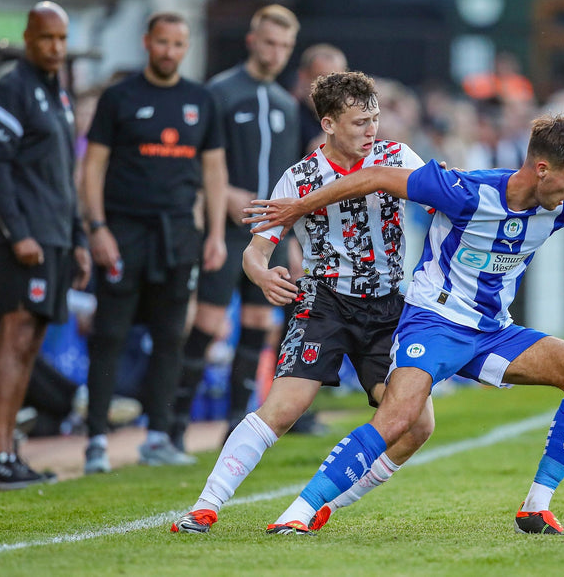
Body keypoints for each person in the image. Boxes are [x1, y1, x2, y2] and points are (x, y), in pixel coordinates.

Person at [243, 114, 564, 535]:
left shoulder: (562, 203)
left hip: (492, 331)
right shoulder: (467, 191)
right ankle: (299, 511)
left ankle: (536, 506)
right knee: (399, 418)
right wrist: (298, 206)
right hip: (433, 321)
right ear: (542, 170)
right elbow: (380, 176)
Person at [171, 71, 434, 534]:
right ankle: (204, 506)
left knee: (417, 424)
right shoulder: (299, 178)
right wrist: (261, 275)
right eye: (359, 122)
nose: (372, 130)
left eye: (374, 118)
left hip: (389, 307)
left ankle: (321, 505)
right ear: (329, 124)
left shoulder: (398, 157)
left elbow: (443, 200)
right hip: (324, 301)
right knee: (283, 409)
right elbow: (255, 251)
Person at [81, 12, 227, 473]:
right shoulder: (119, 97)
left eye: (177, 44)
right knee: (110, 334)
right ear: (147, 42)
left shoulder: (200, 100)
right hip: (123, 232)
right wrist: (97, 228)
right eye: (161, 42)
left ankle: (159, 435)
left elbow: (214, 171)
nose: (169, 51)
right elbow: (93, 167)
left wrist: (215, 234)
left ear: (186, 47)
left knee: (170, 336)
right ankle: (96, 440)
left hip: (179, 234)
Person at [169, 4, 302, 450]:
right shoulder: (220, 92)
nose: (276, 52)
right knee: (206, 322)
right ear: (251, 40)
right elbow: (193, 157)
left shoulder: (286, 103)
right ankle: (171, 428)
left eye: (285, 45)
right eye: (269, 42)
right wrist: (224, 195)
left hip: (272, 232)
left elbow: (293, 175)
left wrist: (294, 236)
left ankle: (234, 429)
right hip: (224, 230)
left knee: (260, 321)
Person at [0, 2, 91, 491]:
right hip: (26, 239)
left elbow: (63, 176)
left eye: (62, 40)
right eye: (47, 39)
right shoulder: (12, 89)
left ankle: (6, 452)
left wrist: (79, 238)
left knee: (31, 341)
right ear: (27, 38)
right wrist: (18, 232)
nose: (56, 48)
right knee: (13, 337)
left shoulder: (57, 93)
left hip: (56, 238)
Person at [291, 44, 347, 153]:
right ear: (303, 76)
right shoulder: (292, 113)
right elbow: (317, 152)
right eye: (321, 78)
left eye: (337, 79)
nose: (330, 86)